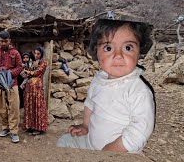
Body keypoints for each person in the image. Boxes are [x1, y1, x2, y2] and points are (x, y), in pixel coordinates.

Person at [57, 19, 155, 153]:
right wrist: (85, 126)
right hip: (90, 143)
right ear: (96, 51)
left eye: (128, 47)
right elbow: (90, 103)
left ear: (139, 51)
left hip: (120, 152)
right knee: (64, 141)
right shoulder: (98, 80)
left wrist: (111, 150)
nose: (118, 56)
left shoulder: (138, 90)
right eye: (108, 48)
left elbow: (140, 129)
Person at [0, 30, 23, 143]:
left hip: (12, 84)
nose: (3, 43)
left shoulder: (15, 53)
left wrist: (10, 74)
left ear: (9, 41)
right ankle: (5, 127)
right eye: (2, 41)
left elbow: (20, 66)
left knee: (14, 107)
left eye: (6, 41)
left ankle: (14, 131)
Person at [23, 47, 48, 136]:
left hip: (37, 88)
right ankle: (30, 126)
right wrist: (26, 72)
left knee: (37, 105)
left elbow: (38, 72)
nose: (36, 55)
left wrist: (28, 72)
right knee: (31, 105)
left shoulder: (43, 62)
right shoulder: (33, 62)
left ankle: (38, 128)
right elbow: (29, 72)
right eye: (35, 53)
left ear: (41, 54)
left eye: (38, 54)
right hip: (30, 88)